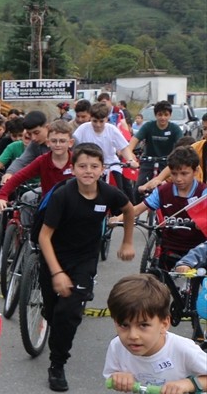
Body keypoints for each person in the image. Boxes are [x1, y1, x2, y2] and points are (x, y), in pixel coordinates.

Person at [37, 143, 135, 392]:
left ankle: (57, 365)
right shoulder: (63, 195)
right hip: (53, 258)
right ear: (73, 169)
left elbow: (129, 210)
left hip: (84, 260)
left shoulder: (108, 193)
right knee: (52, 311)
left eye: (94, 166)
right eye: (82, 166)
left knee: (68, 313)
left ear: (103, 169)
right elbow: (44, 237)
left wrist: (127, 242)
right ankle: (53, 325)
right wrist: (57, 272)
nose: (88, 171)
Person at [134, 145, 207, 275]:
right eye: (174, 174)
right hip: (169, 248)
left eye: (184, 173)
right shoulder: (163, 191)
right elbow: (137, 210)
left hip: (198, 250)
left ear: (195, 171)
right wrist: (118, 218)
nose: (178, 179)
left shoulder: (203, 192)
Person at [0, 120, 75, 220]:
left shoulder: (77, 160)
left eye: (62, 141)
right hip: (49, 205)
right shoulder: (42, 161)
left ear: (70, 143)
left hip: (72, 204)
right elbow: (20, 176)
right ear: (48, 142)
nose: (58, 144)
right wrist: (2, 195)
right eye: (54, 141)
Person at [73, 102, 139, 191]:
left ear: (107, 119)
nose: (98, 125)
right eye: (95, 121)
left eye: (101, 121)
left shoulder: (112, 129)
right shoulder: (83, 129)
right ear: (90, 118)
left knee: (117, 191)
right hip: (90, 166)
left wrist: (130, 160)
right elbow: (74, 147)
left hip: (110, 164)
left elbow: (124, 148)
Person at [127, 100, 184, 183]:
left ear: (170, 115)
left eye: (166, 115)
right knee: (138, 189)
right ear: (155, 115)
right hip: (148, 161)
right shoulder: (148, 126)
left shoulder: (175, 129)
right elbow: (134, 140)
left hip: (167, 163)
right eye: (160, 115)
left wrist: (178, 157)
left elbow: (182, 145)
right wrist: (130, 152)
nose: (163, 118)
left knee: (171, 186)